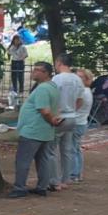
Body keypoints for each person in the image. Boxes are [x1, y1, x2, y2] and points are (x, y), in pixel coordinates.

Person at [9, 62, 65, 198]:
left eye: (37, 70)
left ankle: (19, 188)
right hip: (45, 131)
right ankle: (42, 187)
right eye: (34, 69)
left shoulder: (43, 89)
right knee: (43, 159)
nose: (34, 72)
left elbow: (44, 110)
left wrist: (51, 120)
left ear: (46, 73)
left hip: (33, 130)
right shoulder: (52, 87)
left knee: (23, 160)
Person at [51, 54, 83, 190]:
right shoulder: (77, 79)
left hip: (60, 116)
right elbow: (80, 99)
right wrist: (73, 110)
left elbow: (53, 97)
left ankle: (55, 180)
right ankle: (66, 178)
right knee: (67, 149)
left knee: (52, 150)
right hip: (72, 116)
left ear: (59, 63)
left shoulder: (57, 79)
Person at [70, 70, 93, 183]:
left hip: (77, 123)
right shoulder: (86, 91)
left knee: (73, 149)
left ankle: (74, 174)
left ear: (86, 79)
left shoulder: (82, 92)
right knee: (76, 149)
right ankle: (77, 173)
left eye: (80, 77)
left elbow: (73, 107)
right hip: (81, 122)